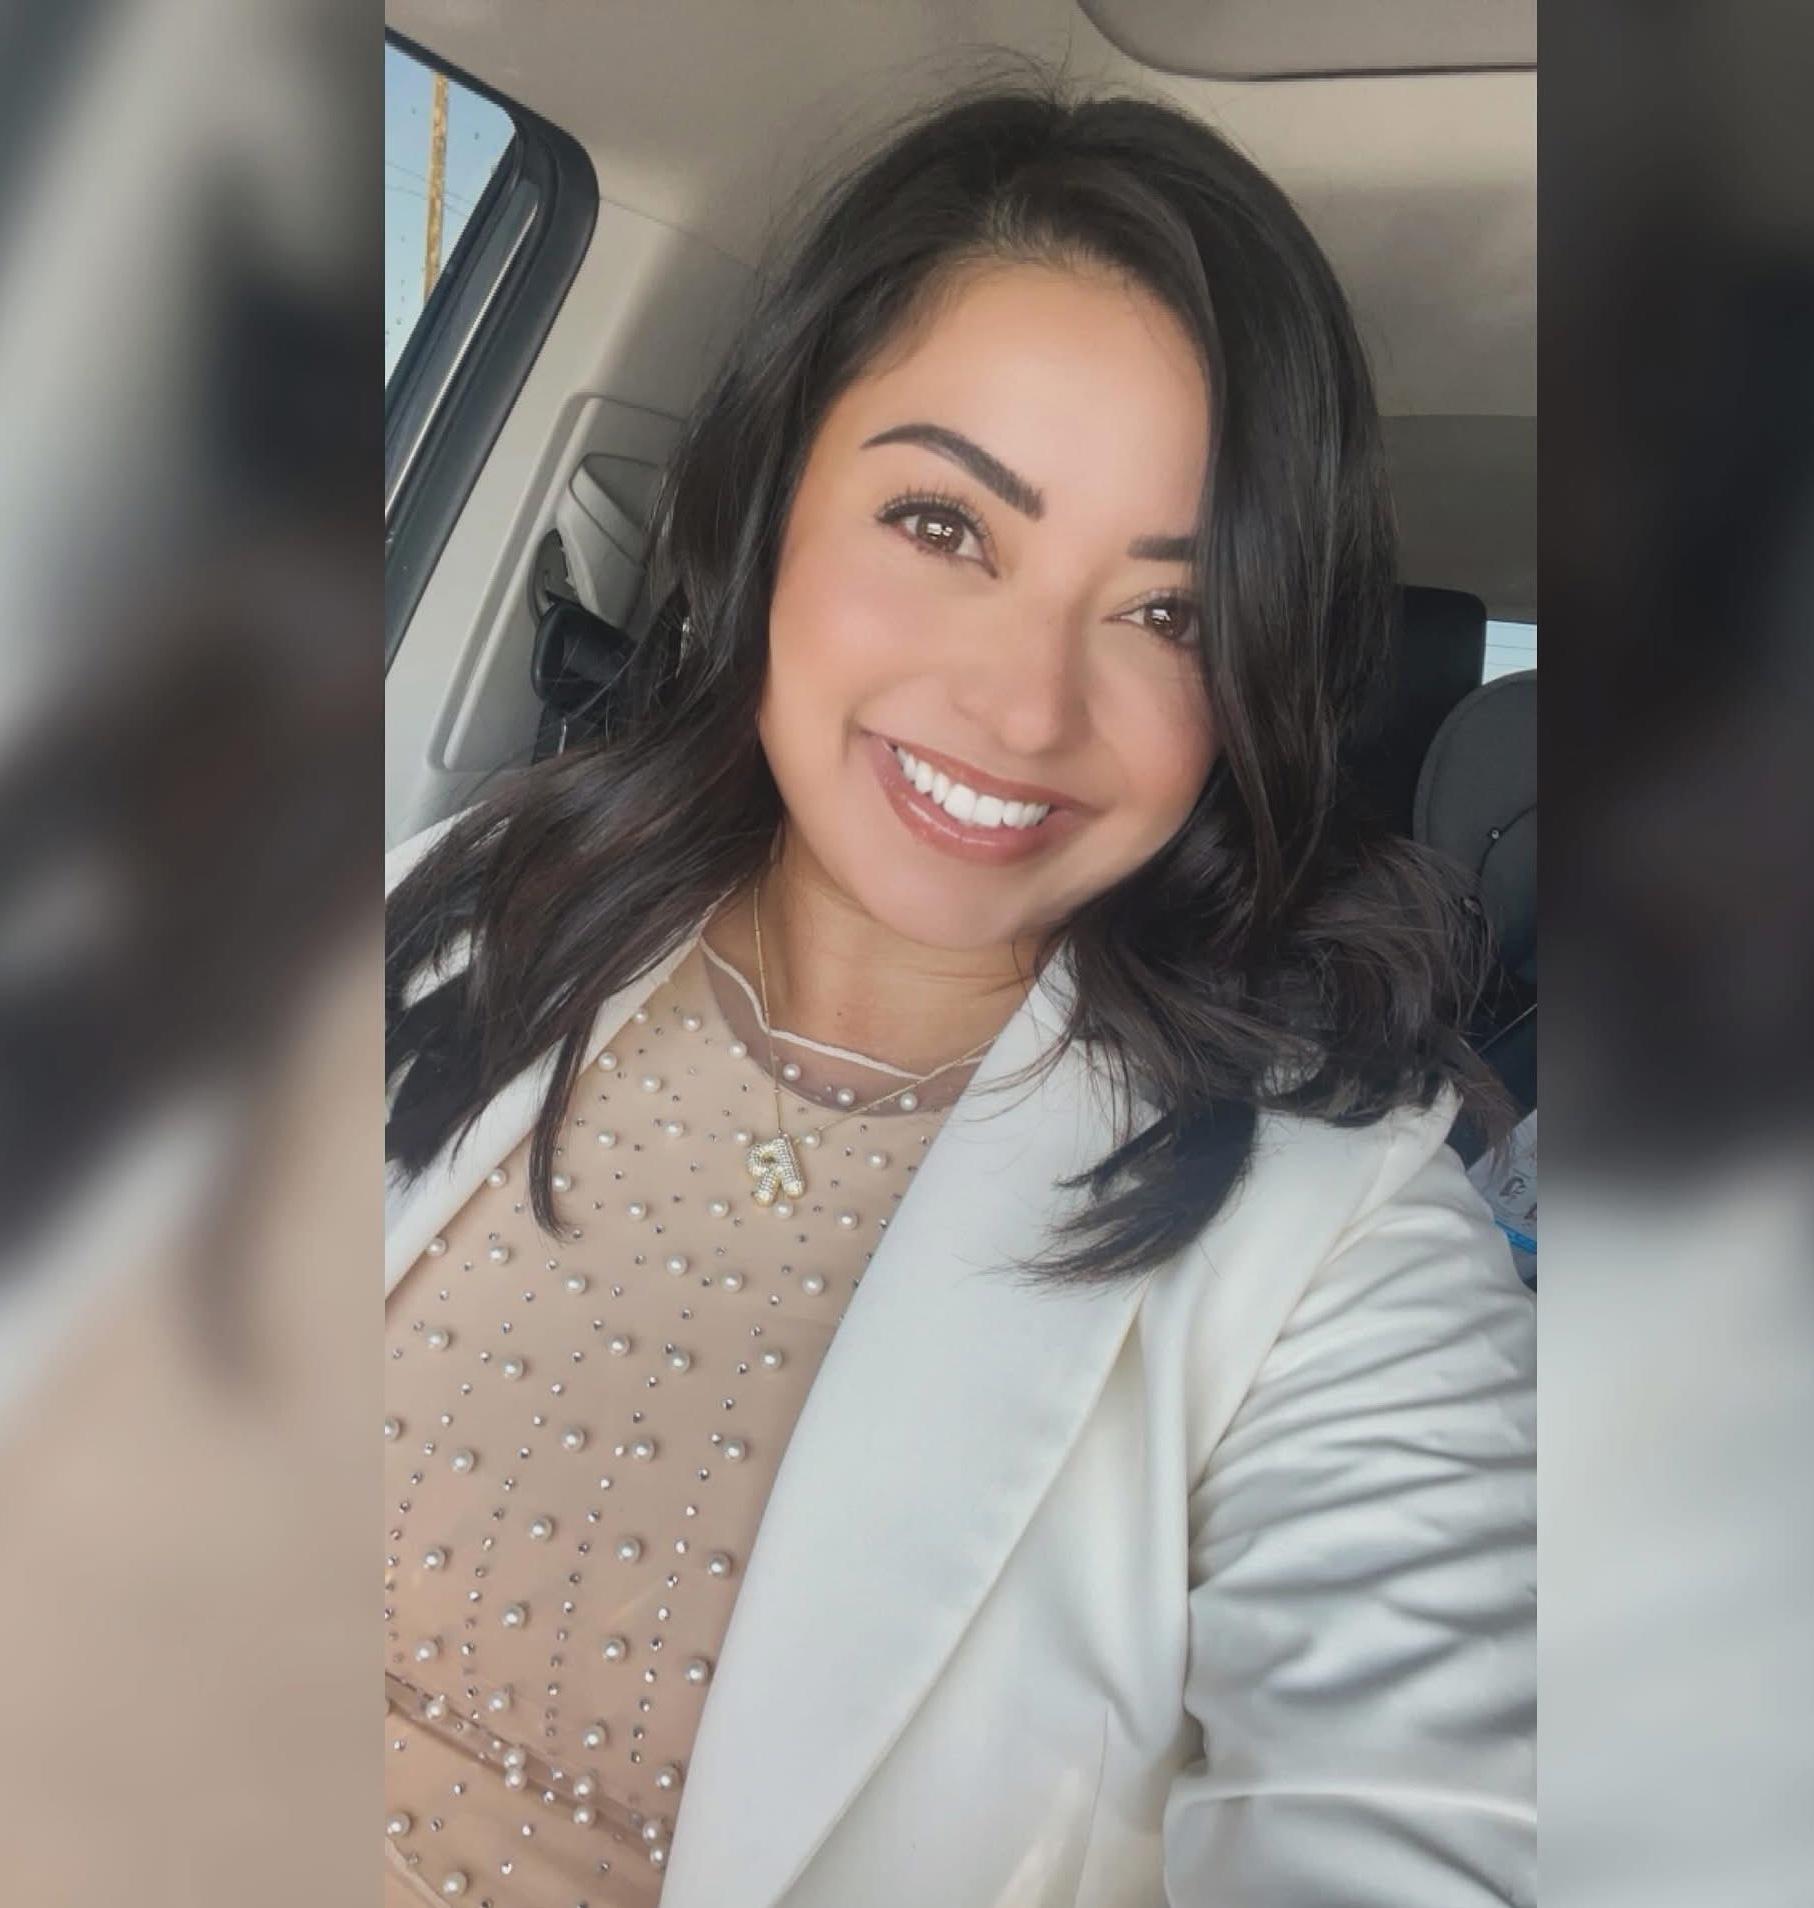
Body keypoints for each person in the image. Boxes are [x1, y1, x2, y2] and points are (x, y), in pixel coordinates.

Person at [383, 84, 1535, 1908]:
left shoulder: (1341, 1248)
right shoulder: (463, 900)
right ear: (770, 501)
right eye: (943, 525)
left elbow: (1438, 1810)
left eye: (1169, 616)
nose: (1023, 706)